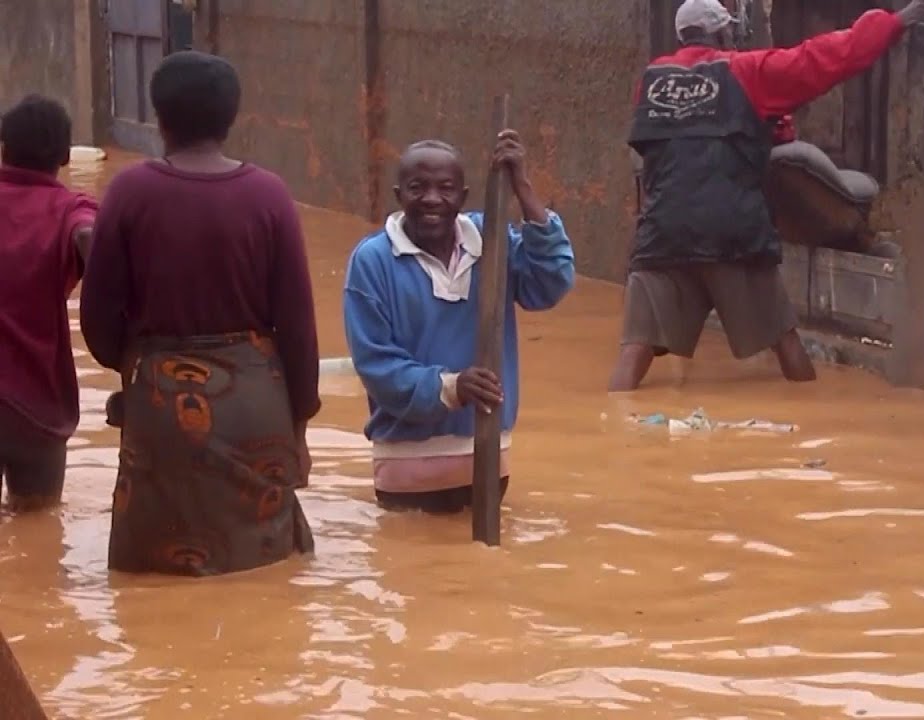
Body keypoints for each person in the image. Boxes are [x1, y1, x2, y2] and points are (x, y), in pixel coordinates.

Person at [608, 0, 924, 391]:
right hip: (731, 232)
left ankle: (612, 430)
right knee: (785, 343)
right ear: (720, 34)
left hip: (661, 233)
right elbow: (824, 58)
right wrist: (894, 23)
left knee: (633, 352)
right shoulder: (746, 72)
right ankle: (808, 417)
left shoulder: (649, 83)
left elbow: (679, 145)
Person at [81, 51, 320, 576]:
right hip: (255, 407)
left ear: (159, 117)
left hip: (161, 404)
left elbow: (97, 319)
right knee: (267, 569)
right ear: (233, 117)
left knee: (150, 570)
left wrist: (138, 368)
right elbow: (298, 326)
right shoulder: (269, 195)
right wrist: (298, 424)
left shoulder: (128, 191)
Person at [343, 133, 573, 513]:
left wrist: (523, 189)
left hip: (488, 459)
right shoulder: (372, 262)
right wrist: (452, 387)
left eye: (445, 188)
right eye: (418, 188)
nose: (432, 199)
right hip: (406, 470)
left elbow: (551, 283)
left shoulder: (492, 238)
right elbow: (376, 365)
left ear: (463, 197)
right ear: (399, 195)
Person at [0, 95, 97, 512]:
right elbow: (89, 235)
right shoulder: (70, 208)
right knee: (39, 523)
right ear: (65, 156)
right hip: (35, 403)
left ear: (3, 149)